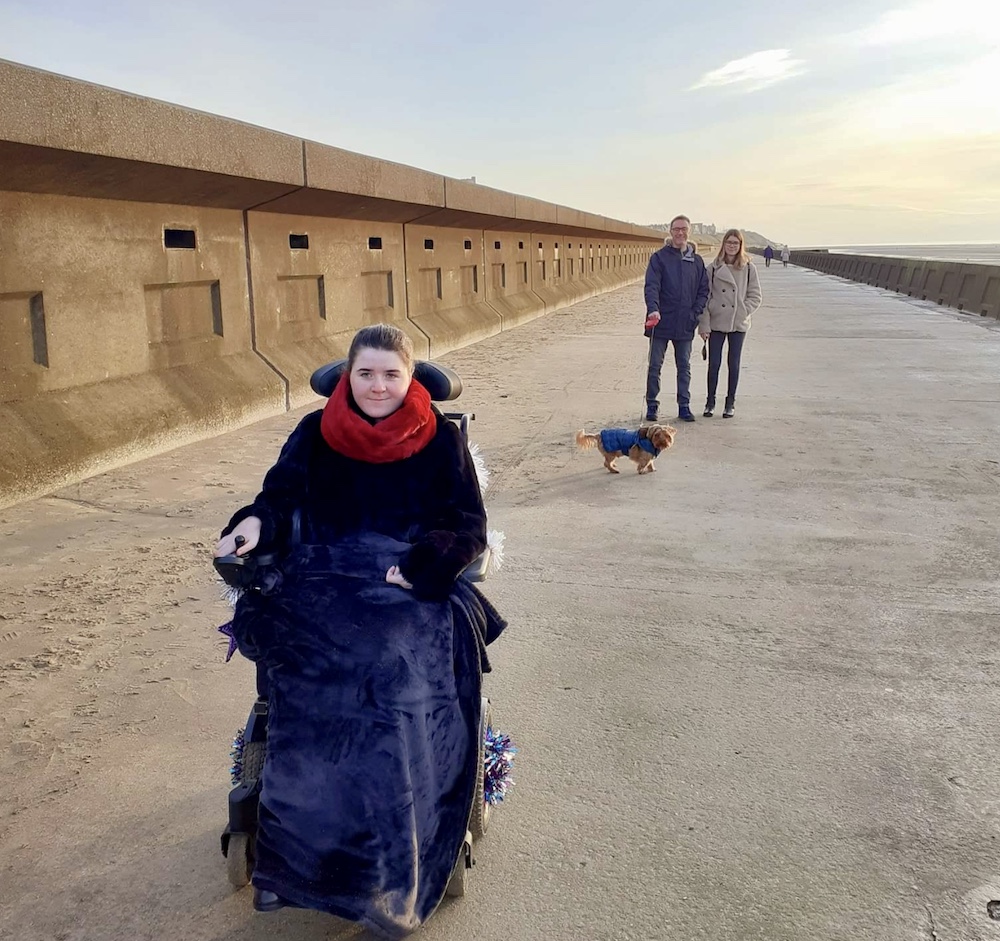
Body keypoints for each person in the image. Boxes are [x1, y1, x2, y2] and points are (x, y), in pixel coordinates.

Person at [214, 323, 504, 937]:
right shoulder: (315, 433)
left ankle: (386, 865)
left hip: (407, 582)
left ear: (410, 377)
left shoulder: (441, 440)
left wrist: (425, 565)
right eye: (365, 373)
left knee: (391, 671)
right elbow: (277, 498)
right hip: (324, 574)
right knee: (308, 666)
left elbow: (467, 523)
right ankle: (303, 861)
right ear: (347, 377)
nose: (377, 386)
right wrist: (251, 526)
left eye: (390, 374)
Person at [643, 215, 709, 422]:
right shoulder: (659, 258)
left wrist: (694, 313)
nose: (680, 233)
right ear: (670, 232)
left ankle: (684, 405)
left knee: (684, 366)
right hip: (660, 321)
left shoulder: (696, 261)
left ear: (689, 232)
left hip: (685, 322)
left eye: (684, 229)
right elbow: (651, 286)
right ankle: (652, 405)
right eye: (676, 229)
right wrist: (653, 309)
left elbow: (703, 290)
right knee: (655, 365)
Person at [698, 229, 762, 419]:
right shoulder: (713, 268)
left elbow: (756, 296)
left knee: (733, 364)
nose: (732, 246)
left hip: (738, 323)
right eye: (729, 242)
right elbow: (705, 297)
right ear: (723, 244)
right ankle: (710, 402)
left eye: (736, 243)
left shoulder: (749, 268)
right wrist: (704, 325)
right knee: (714, 364)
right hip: (717, 321)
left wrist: (742, 311)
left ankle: (730, 403)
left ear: (741, 245)